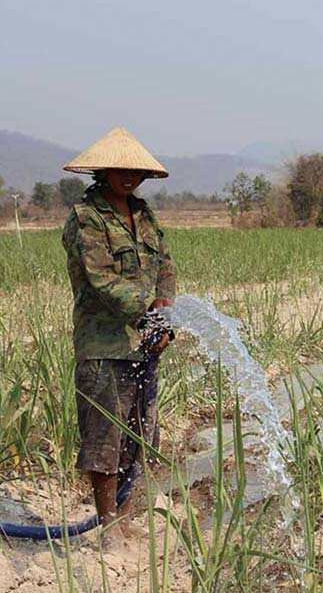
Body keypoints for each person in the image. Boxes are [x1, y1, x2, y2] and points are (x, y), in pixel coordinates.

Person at [61, 127, 176, 541]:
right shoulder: (86, 218)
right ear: (104, 170)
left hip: (144, 342)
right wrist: (144, 312)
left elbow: (165, 266)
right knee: (104, 437)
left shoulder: (144, 215)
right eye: (121, 169)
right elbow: (100, 279)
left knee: (140, 433)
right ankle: (108, 526)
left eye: (136, 171)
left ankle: (127, 518)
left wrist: (163, 314)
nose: (130, 177)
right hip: (104, 343)